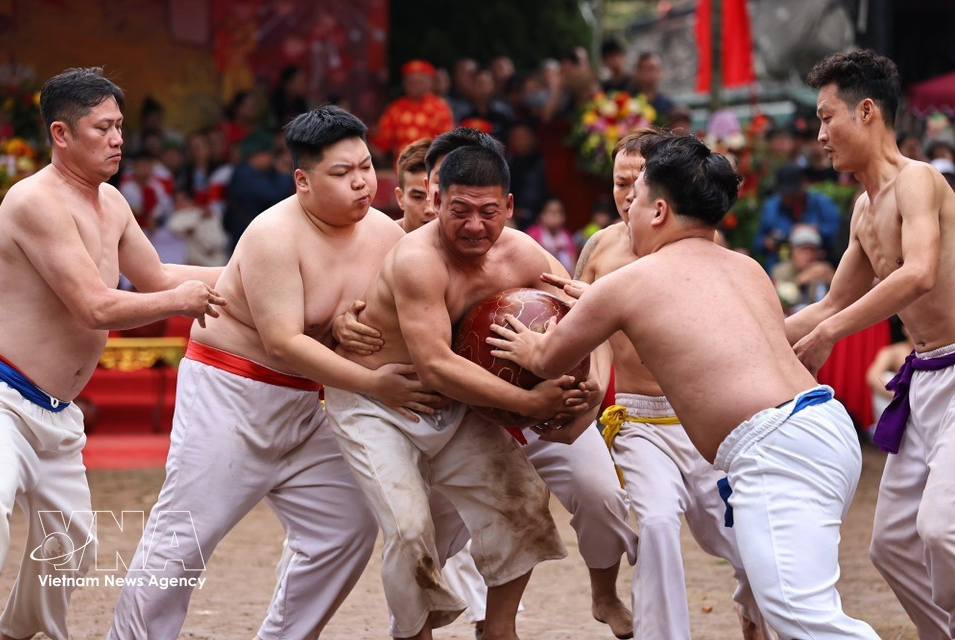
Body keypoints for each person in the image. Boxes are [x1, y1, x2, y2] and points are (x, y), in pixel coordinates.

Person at [488, 133, 880, 639]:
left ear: (658, 211)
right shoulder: (746, 268)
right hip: (824, 428)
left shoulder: (631, 282)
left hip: (773, 446)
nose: (626, 208)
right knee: (784, 595)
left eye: (638, 197)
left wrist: (524, 346)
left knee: (802, 615)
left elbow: (546, 358)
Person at [107, 106, 439, 640]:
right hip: (232, 391)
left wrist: (354, 329)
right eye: (341, 173)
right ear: (303, 181)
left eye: (365, 167)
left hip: (317, 399)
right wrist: (377, 383)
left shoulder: (385, 235)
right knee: (185, 535)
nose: (360, 183)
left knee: (344, 527)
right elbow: (284, 338)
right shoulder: (273, 234)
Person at [335, 126, 636, 639]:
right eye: (460, 211)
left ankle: (498, 630)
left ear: (510, 205)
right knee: (411, 530)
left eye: (488, 212)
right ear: (435, 199)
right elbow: (433, 363)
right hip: (380, 403)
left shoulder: (523, 254)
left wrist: (586, 396)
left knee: (519, 497)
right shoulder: (416, 259)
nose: (475, 225)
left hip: (459, 406)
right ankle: (413, 634)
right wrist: (528, 400)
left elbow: (590, 312)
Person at [0, 67, 225, 640]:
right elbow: (94, 307)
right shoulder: (35, 201)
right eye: (104, 128)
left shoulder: (112, 201)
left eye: (120, 126)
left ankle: (19, 633)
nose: (119, 139)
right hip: (2, 397)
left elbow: (157, 274)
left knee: (70, 547)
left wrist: (252, 276)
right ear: (62, 134)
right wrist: (180, 301)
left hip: (57, 409)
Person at [563, 130, 769, 640]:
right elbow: (579, 332)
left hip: (704, 420)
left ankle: (759, 621)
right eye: (619, 181)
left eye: (639, 181)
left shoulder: (703, 247)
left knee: (749, 539)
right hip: (635, 420)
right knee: (655, 524)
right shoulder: (600, 249)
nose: (627, 193)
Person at [786, 50, 955, 638]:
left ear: (866, 111)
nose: (821, 134)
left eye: (827, 117)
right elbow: (828, 305)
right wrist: (742, 335)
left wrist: (830, 333)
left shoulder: (920, 179)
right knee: (892, 547)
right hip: (926, 377)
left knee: (941, 530)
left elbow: (919, 273)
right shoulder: (863, 208)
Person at [754, 163, 842, 270]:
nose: (789, 198)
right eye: (785, 193)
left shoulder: (822, 203)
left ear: (803, 185)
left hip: (816, 264)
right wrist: (767, 242)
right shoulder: (771, 207)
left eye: (793, 193)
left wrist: (814, 230)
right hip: (781, 264)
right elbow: (758, 241)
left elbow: (838, 232)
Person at [372, 59, 454, 164]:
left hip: (430, 169)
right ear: (404, 83)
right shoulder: (395, 108)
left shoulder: (440, 108)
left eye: (419, 82)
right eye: (411, 82)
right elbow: (382, 142)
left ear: (430, 82)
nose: (415, 86)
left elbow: (447, 144)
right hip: (401, 172)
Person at [771, 224, 835, 316]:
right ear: (792, 252)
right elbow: (778, 301)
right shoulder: (779, 270)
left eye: (811, 251)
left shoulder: (823, 270)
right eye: (802, 251)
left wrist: (832, 280)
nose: (807, 256)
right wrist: (799, 280)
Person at [393, 137, 436, 232]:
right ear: (400, 198)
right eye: (418, 197)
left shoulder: (464, 243)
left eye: (437, 197)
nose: (430, 210)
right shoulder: (382, 242)